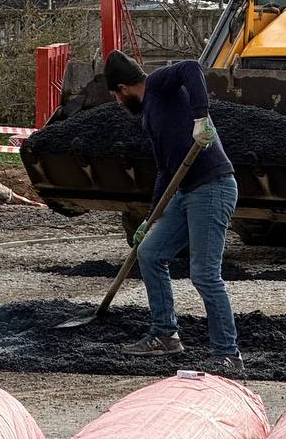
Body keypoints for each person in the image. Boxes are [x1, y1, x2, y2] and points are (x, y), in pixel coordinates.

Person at [103, 50, 244, 373]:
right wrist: (150, 219)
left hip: (212, 187)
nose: (118, 103)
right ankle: (165, 334)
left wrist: (201, 118)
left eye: (115, 96)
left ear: (123, 89)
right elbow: (166, 173)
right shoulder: (151, 117)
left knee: (204, 274)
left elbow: (191, 67)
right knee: (150, 251)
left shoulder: (158, 85)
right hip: (183, 192)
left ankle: (229, 354)